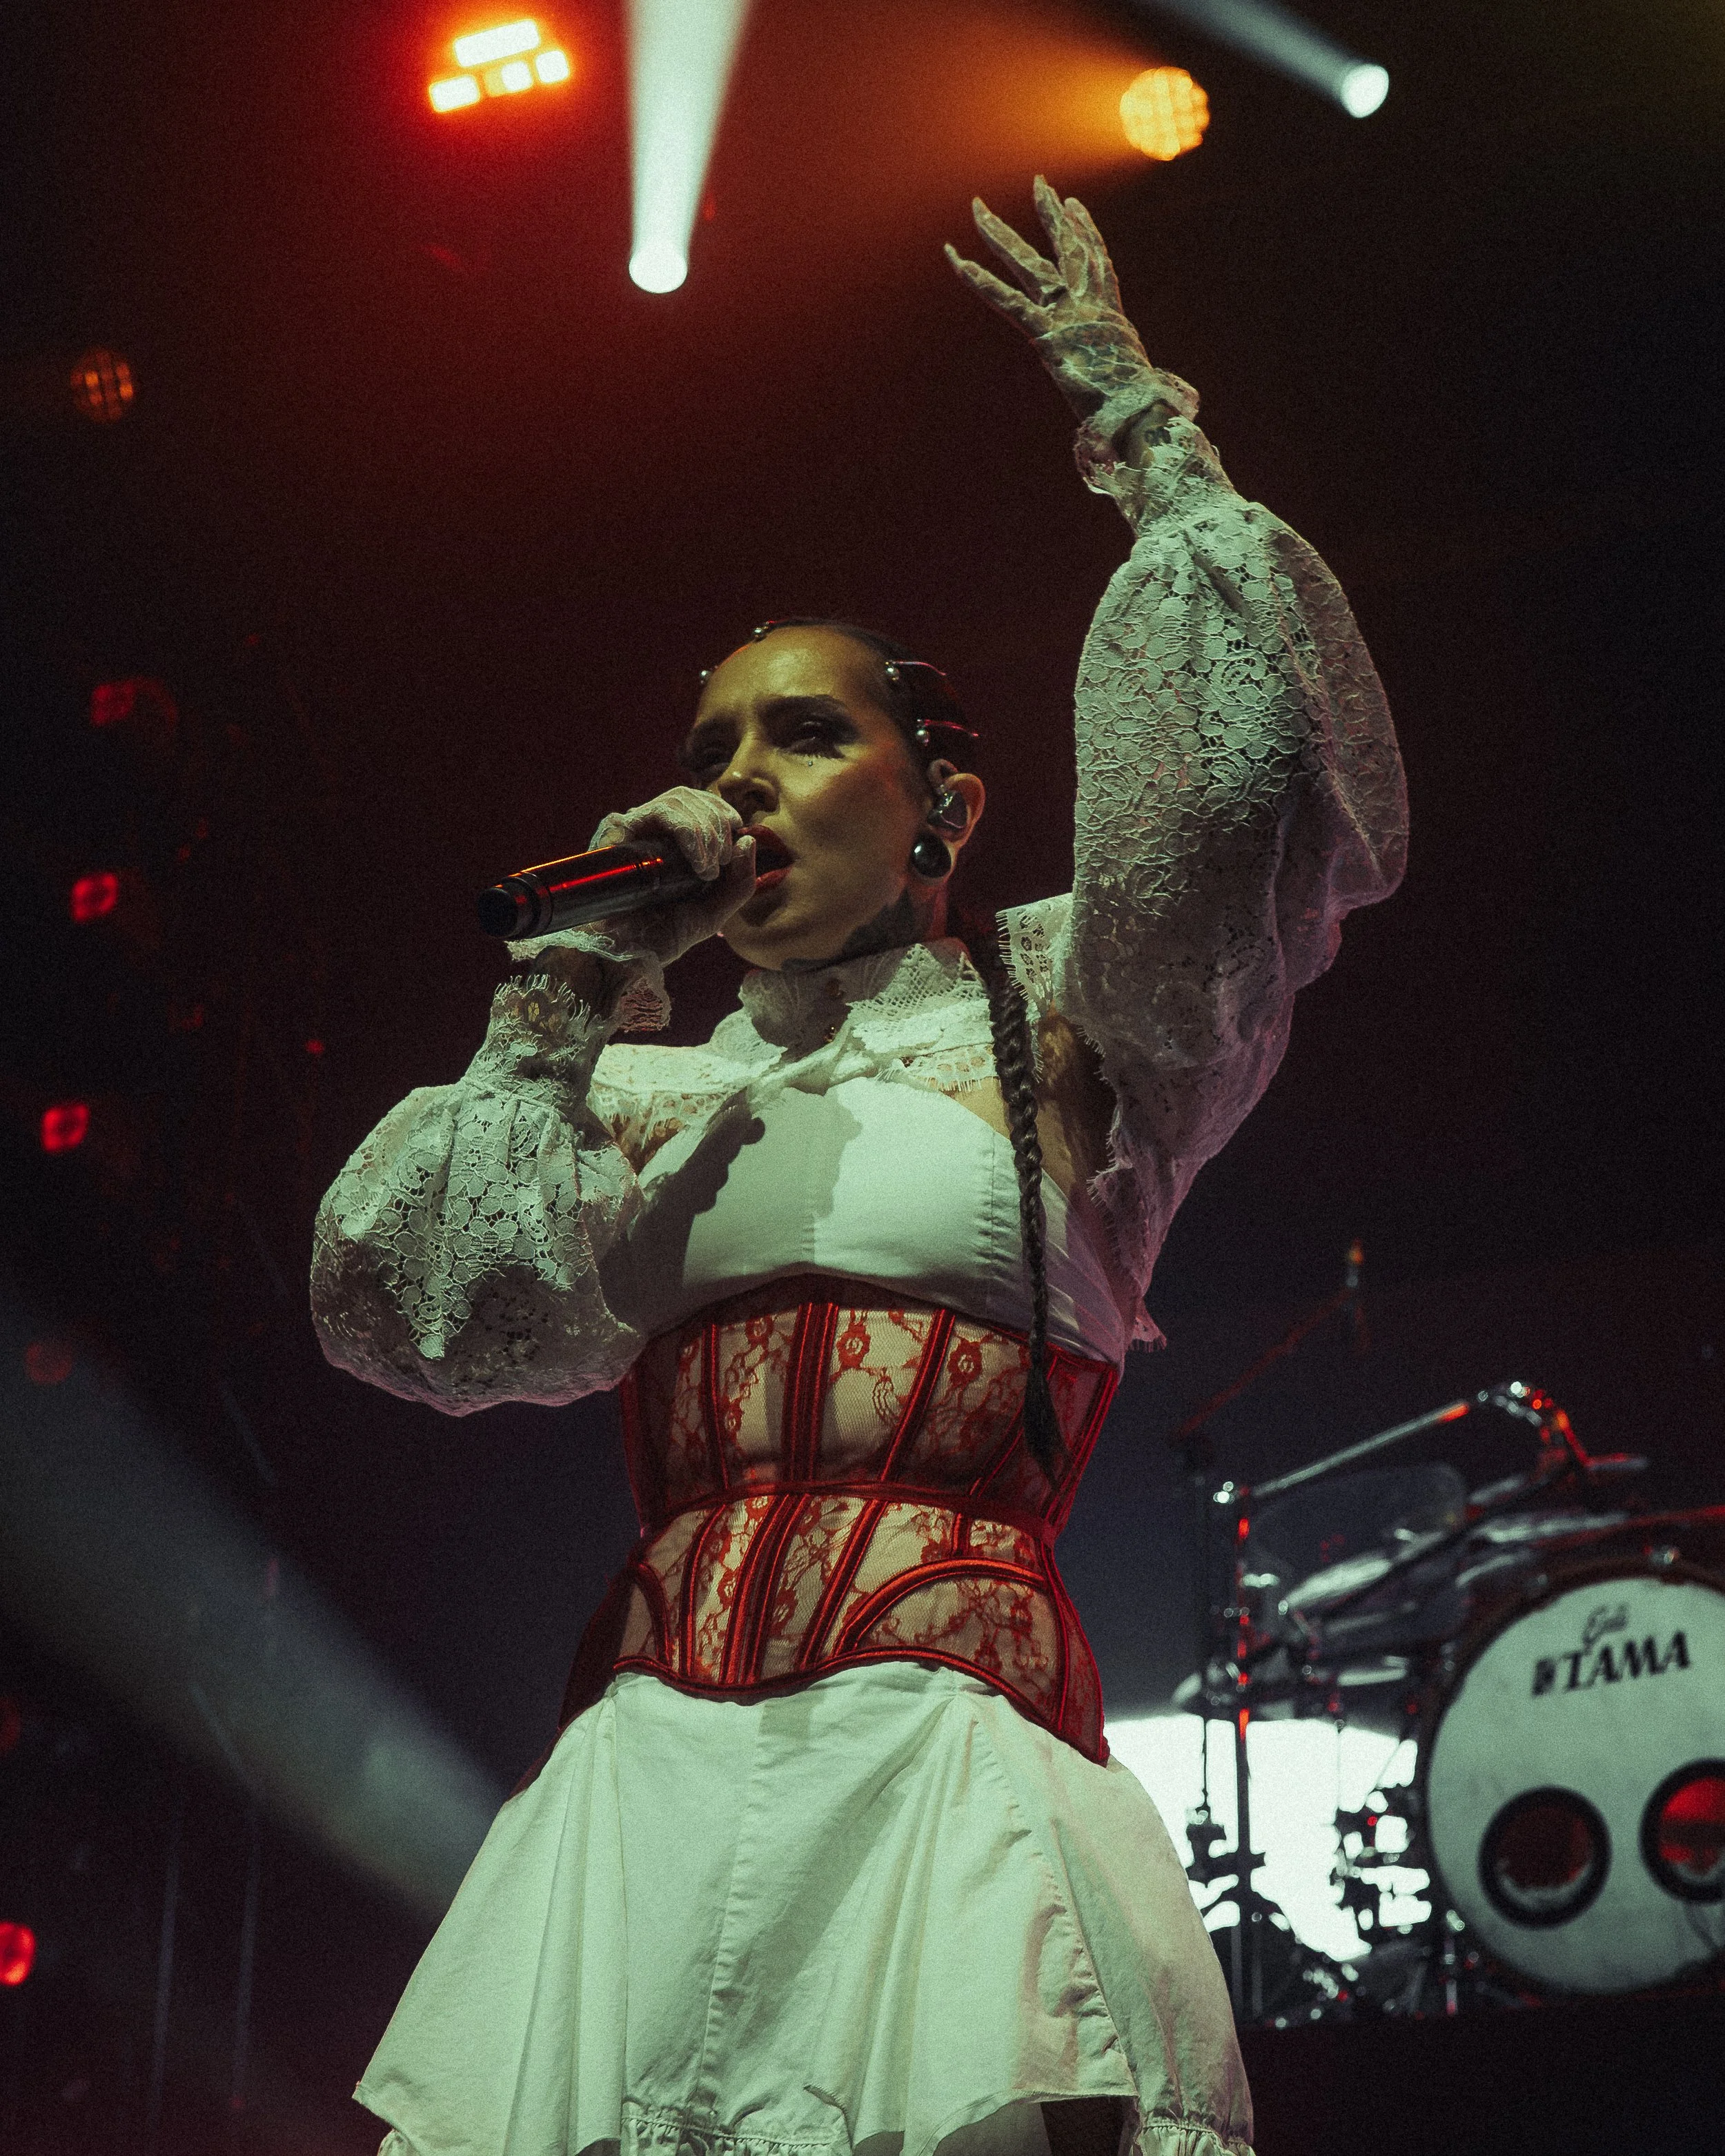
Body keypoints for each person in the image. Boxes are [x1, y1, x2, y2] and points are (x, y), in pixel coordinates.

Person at [310, 181, 1406, 2156]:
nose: (735, 779)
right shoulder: (645, 1093)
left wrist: (1144, 433)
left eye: (806, 737)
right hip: (644, 1781)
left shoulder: (1056, 1014)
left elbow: (1244, 805)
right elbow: (431, 1320)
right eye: (711, 745)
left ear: (943, 812)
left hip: (932, 1775)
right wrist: (562, 994)